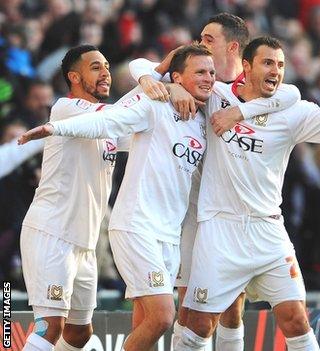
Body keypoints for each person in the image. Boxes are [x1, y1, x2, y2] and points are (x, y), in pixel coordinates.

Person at [20, 43, 299, 351]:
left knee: (80, 334)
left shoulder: (203, 117)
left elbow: (290, 94)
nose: (209, 78)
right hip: (77, 229)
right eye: (96, 67)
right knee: (158, 317)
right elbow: (111, 118)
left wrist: (232, 107)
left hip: (119, 238)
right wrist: (53, 127)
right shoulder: (73, 107)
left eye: (211, 73)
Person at [176, 36, 320, 351]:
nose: (275, 71)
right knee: (198, 327)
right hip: (220, 229)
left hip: (268, 231)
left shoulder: (293, 111)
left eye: (280, 65)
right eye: (267, 63)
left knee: (295, 320)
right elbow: (161, 75)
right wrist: (172, 87)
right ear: (246, 67)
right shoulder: (217, 96)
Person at [128, 13, 300, 351]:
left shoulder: (253, 93)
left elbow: (291, 93)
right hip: (189, 210)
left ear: (233, 47)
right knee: (192, 311)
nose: (199, 42)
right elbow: (139, 66)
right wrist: (169, 83)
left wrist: (241, 113)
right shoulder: (200, 84)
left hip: (235, 217)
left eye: (208, 39)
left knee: (233, 309)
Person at [19, 44, 118, 351]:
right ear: (74, 76)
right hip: (53, 232)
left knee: (79, 333)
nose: (106, 73)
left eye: (107, 67)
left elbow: (139, 127)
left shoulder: (111, 123)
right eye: (96, 67)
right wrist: (150, 82)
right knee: (50, 327)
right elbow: (131, 113)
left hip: (84, 242)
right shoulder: (65, 108)